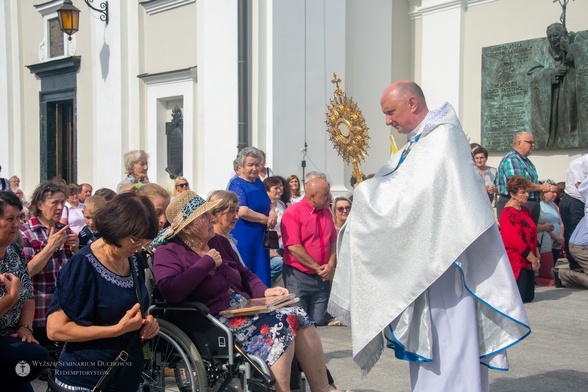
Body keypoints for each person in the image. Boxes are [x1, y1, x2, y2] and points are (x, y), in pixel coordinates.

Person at [328, 81, 530, 390]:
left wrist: (368, 196)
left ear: (412, 103)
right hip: (429, 258)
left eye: (390, 112)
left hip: (448, 260)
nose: (387, 121)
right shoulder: (417, 144)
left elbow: (414, 198)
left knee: (451, 338)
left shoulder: (443, 139)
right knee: (435, 343)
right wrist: (371, 194)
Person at [151, 191, 346, 392]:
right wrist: (206, 263)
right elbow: (171, 291)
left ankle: (323, 388)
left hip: (242, 310)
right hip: (212, 322)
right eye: (205, 215)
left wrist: (266, 291)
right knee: (282, 325)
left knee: (299, 315)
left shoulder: (218, 242)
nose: (212, 218)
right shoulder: (169, 252)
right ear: (189, 227)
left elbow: (245, 276)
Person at [46, 192, 160, 391]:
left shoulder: (133, 259)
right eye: (134, 240)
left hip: (124, 379)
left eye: (144, 241)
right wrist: (116, 330)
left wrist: (146, 323)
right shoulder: (83, 263)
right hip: (87, 381)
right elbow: (55, 329)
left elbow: (129, 310)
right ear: (116, 228)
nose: (138, 247)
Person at [0, 191, 50, 391]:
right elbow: (17, 295)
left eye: (19, 218)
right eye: (9, 219)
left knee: (29, 367)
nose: (16, 224)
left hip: (11, 337)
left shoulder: (14, 251)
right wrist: (11, 297)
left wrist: (25, 328)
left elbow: (28, 295)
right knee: (37, 357)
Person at [19, 181, 79, 347]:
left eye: (62, 203)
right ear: (40, 204)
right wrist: (50, 247)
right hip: (38, 312)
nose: (60, 208)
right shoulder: (25, 232)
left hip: (66, 311)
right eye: (55, 203)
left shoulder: (65, 230)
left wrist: (75, 250)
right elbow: (26, 272)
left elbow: (76, 272)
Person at [281, 178, 336, 326]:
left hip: (321, 277)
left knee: (318, 319)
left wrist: (330, 264)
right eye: (325, 195)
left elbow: (332, 241)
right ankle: (301, 349)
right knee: (299, 321)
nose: (329, 197)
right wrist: (317, 267)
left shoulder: (327, 211)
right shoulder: (293, 213)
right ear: (312, 196)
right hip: (299, 276)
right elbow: (293, 246)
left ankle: (313, 348)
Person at [228, 147, 277, 286]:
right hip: (245, 236)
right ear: (242, 167)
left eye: (257, 164)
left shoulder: (258, 183)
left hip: (260, 236)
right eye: (250, 165)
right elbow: (243, 211)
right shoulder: (236, 184)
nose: (254, 168)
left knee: (261, 271)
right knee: (248, 269)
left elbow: (270, 203)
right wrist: (266, 220)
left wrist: (273, 213)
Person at [528, 23, 580, 149]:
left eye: (555, 35)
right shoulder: (541, 51)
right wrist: (553, 72)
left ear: (563, 35)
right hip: (551, 96)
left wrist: (569, 50)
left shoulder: (575, 45)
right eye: (549, 37)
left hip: (570, 94)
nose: (552, 39)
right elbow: (533, 75)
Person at [499, 176, 541, 302]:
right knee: (519, 298)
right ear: (512, 194)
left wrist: (537, 255)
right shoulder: (507, 213)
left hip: (530, 258)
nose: (527, 195)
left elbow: (533, 233)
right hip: (517, 261)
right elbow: (516, 242)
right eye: (523, 192)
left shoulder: (526, 210)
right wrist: (533, 259)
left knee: (529, 297)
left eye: (527, 191)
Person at [495, 131, 551, 222]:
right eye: (530, 142)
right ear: (519, 143)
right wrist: (541, 187)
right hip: (515, 205)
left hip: (528, 205)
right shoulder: (512, 159)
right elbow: (518, 184)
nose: (533, 145)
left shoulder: (525, 161)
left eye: (533, 143)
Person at [558, 153, 588, 272]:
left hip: (583, 202)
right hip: (574, 201)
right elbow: (580, 187)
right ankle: (576, 265)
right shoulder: (578, 164)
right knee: (573, 232)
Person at [206, 190, 246, 265]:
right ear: (216, 213)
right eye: (231, 211)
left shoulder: (229, 238)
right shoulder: (213, 243)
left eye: (237, 211)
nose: (236, 217)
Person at [264, 177, 287, 285]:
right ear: (267, 190)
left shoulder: (281, 204)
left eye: (280, 187)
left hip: (281, 246)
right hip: (270, 247)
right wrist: (270, 251)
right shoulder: (264, 206)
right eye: (275, 188)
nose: (279, 190)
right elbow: (266, 229)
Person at [538, 180, 565, 264]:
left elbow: (561, 222)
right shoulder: (540, 205)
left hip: (557, 243)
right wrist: (556, 237)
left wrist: (561, 237)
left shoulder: (553, 204)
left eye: (556, 192)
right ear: (544, 192)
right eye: (552, 192)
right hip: (547, 243)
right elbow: (544, 225)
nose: (555, 194)